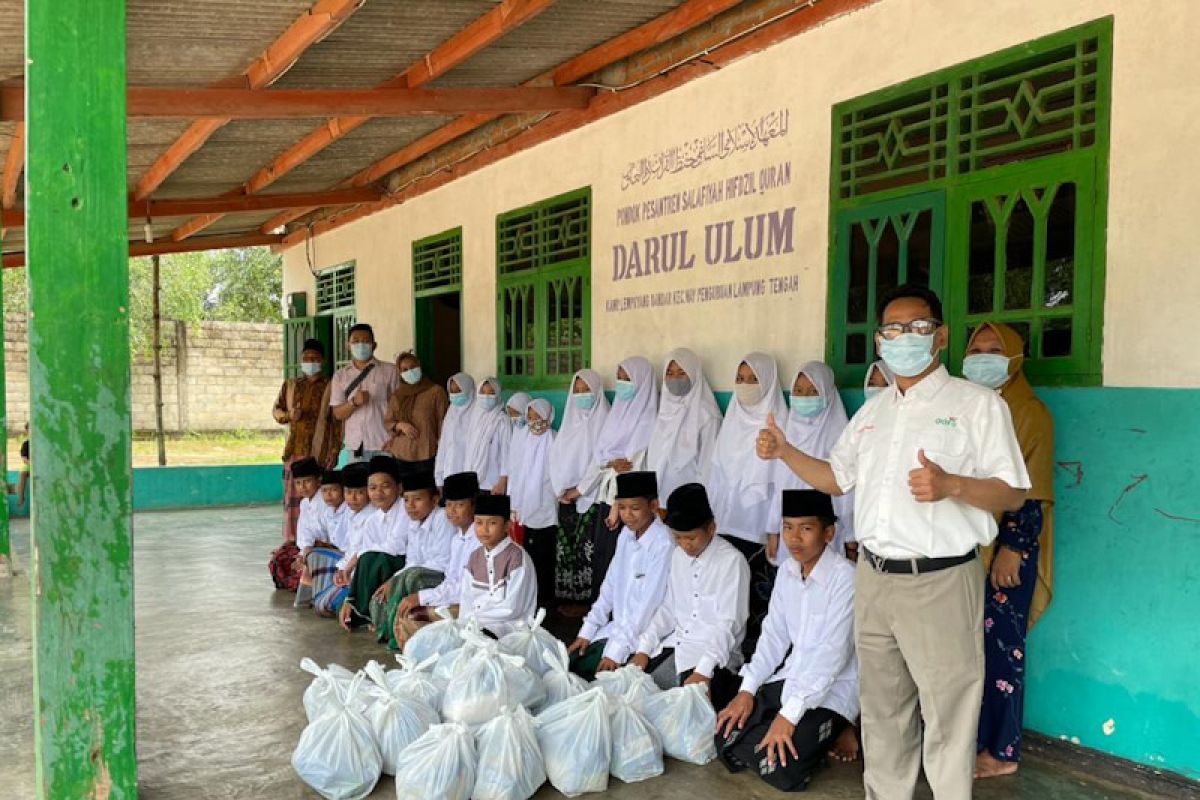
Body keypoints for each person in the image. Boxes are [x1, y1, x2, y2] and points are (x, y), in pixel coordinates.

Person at [757, 284, 1030, 799]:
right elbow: (837, 478)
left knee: (948, 714)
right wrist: (786, 451)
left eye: (918, 327)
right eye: (893, 329)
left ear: (940, 336)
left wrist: (952, 485)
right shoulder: (874, 412)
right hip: (875, 578)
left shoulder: (976, 406)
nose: (905, 337)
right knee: (883, 711)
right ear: (880, 341)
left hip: (942, 580)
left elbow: (1012, 492)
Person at [715, 490, 858, 793]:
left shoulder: (846, 578)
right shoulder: (787, 573)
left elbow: (833, 655)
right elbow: (773, 637)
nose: (794, 539)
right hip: (792, 676)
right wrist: (747, 690)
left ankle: (839, 729)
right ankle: (801, 743)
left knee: (780, 767)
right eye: (788, 528)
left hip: (832, 689)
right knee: (722, 735)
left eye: (806, 529)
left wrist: (788, 715)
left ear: (828, 533)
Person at [963, 322, 1056, 779]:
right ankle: (973, 740)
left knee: (1002, 651)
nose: (983, 356)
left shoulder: (1029, 413)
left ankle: (1002, 752)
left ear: (1015, 357)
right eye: (975, 349)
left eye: (994, 349)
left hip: (1005, 552)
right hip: (964, 546)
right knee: (966, 651)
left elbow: (1032, 491)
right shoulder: (968, 406)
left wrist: (1013, 548)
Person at [631, 482, 749, 710]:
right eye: (678, 538)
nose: (685, 545)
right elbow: (669, 609)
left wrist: (703, 671)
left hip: (716, 659)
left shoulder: (732, 561)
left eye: (691, 538)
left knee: (681, 718)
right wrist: (644, 648)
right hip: (678, 649)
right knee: (633, 695)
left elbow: (729, 624)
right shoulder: (678, 556)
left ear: (711, 528)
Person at [706, 353, 787, 653]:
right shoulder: (732, 419)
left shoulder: (779, 424)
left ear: (768, 383)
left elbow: (782, 481)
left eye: (753, 379)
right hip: (725, 523)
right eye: (740, 379)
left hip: (759, 530)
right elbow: (716, 473)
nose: (745, 385)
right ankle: (721, 653)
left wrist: (774, 529)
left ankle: (748, 660)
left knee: (754, 599)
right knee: (724, 595)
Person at [567, 471, 674, 681]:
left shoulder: (664, 543)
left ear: (653, 506)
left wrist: (615, 652)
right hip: (616, 629)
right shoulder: (626, 535)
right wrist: (586, 631)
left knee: (599, 680)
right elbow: (610, 587)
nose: (627, 515)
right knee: (572, 664)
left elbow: (648, 605)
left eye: (635, 508)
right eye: (622, 508)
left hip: (643, 638)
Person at [572, 357, 659, 597]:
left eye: (627, 378)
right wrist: (609, 463)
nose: (621, 383)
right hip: (607, 497)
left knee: (621, 560)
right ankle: (601, 613)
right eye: (619, 377)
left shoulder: (648, 417)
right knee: (603, 557)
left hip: (626, 503)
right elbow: (604, 459)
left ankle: (617, 615)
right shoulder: (618, 412)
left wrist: (618, 506)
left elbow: (632, 467)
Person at [768, 362, 856, 561]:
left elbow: (845, 492)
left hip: (826, 531)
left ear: (827, 393)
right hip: (790, 531)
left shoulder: (840, 434)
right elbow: (779, 486)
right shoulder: (786, 433)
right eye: (798, 391)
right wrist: (773, 530)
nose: (805, 397)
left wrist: (850, 537)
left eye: (813, 391)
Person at [389, 472, 482, 650]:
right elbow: (450, 580)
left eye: (459, 505)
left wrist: (423, 597)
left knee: (414, 617)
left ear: (473, 505)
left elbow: (466, 589)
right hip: (455, 597)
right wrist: (426, 598)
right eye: (448, 505)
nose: (451, 511)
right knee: (408, 614)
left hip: (474, 608)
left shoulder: (479, 541)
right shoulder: (458, 539)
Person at [370, 469, 455, 648]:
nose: (410, 506)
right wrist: (392, 580)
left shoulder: (442, 519)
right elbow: (412, 561)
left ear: (434, 499)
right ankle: (389, 629)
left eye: (417, 499)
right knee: (381, 594)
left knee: (412, 576)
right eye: (406, 500)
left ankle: (398, 634)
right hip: (417, 572)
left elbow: (441, 562)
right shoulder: (414, 523)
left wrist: (402, 576)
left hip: (441, 578)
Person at [549, 369, 611, 614]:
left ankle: (587, 603)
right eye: (577, 389)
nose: (581, 394)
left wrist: (580, 489)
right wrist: (560, 490)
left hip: (591, 495)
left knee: (588, 548)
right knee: (567, 548)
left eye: (587, 390)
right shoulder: (569, 420)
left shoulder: (605, 420)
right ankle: (569, 598)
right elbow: (556, 457)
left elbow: (601, 461)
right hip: (565, 496)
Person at [272, 338, 341, 543]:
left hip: (319, 452)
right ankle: (294, 540)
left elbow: (337, 422)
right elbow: (277, 410)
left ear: (323, 361)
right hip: (294, 450)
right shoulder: (291, 385)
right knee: (292, 500)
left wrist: (335, 449)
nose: (310, 361)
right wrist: (288, 416)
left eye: (315, 358)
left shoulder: (331, 386)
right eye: (306, 358)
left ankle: (319, 540)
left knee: (320, 499)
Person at [337, 456, 409, 629]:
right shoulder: (373, 519)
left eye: (385, 486)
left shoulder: (406, 510)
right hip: (382, 567)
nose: (378, 493)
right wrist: (350, 566)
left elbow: (396, 546)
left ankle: (367, 613)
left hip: (403, 564)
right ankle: (361, 608)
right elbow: (364, 552)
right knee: (369, 559)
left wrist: (362, 556)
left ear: (399, 488)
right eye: (372, 488)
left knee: (375, 559)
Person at [458, 492, 538, 638]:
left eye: (492, 523)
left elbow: (512, 609)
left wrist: (475, 620)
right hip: (476, 624)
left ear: (507, 525)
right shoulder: (474, 557)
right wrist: (464, 624)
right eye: (479, 522)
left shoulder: (517, 558)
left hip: (511, 628)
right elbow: (466, 599)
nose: (484, 529)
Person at [646, 348, 721, 501]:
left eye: (682, 373)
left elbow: (708, 466)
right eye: (669, 373)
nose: (675, 379)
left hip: (689, 501)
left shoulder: (707, 414)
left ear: (694, 374)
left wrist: (699, 501)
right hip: (659, 498)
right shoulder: (664, 409)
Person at [509, 399, 559, 612]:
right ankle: (531, 594)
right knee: (527, 553)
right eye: (530, 418)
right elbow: (517, 471)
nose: (534, 422)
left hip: (547, 504)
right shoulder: (525, 440)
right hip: (525, 506)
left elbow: (559, 470)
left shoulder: (555, 439)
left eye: (538, 417)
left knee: (545, 553)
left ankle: (545, 598)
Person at [330, 323, 401, 463]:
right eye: (355, 341)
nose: (361, 345)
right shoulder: (340, 376)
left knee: (385, 483)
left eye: (366, 341)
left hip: (385, 444)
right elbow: (338, 413)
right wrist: (354, 402)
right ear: (348, 345)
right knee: (358, 485)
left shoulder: (390, 371)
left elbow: (400, 408)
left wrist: (396, 439)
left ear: (374, 345)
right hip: (357, 446)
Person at [315, 463, 371, 616]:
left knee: (326, 605)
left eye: (359, 492)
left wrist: (346, 569)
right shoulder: (354, 513)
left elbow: (363, 552)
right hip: (349, 568)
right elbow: (351, 548)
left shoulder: (372, 516)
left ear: (369, 492)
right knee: (321, 603)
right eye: (348, 492)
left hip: (363, 572)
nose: (352, 498)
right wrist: (341, 569)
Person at [385, 350, 449, 480]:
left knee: (425, 494)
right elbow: (388, 422)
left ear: (419, 366)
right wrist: (400, 425)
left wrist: (443, 450)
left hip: (426, 453)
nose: (410, 372)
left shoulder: (435, 392)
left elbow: (443, 422)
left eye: (413, 367)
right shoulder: (397, 395)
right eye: (404, 369)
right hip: (401, 454)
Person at [301, 470, 348, 615]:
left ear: (343, 490)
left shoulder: (349, 510)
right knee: (309, 555)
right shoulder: (329, 511)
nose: (328, 495)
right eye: (324, 490)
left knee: (314, 556)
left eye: (334, 490)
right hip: (339, 554)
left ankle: (316, 596)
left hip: (349, 557)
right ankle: (317, 596)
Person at [463, 377, 512, 492]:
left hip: (494, 484)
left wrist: (503, 481)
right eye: (483, 392)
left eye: (491, 393)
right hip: (473, 481)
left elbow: (507, 454)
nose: (486, 396)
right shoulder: (474, 418)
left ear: (498, 395)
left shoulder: (502, 420)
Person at [433, 372, 476, 485]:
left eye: (458, 390)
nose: (455, 395)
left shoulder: (478, 412)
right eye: (452, 391)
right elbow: (443, 445)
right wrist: (439, 477)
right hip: (450, 471)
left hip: (471, 473)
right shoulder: (451, 411)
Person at [492, 392, 532, 496]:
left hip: (528, 484)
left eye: (517, 413)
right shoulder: (515, 431)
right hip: (514, 484)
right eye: (511, 414)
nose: (514, 418)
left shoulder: (534, 434)